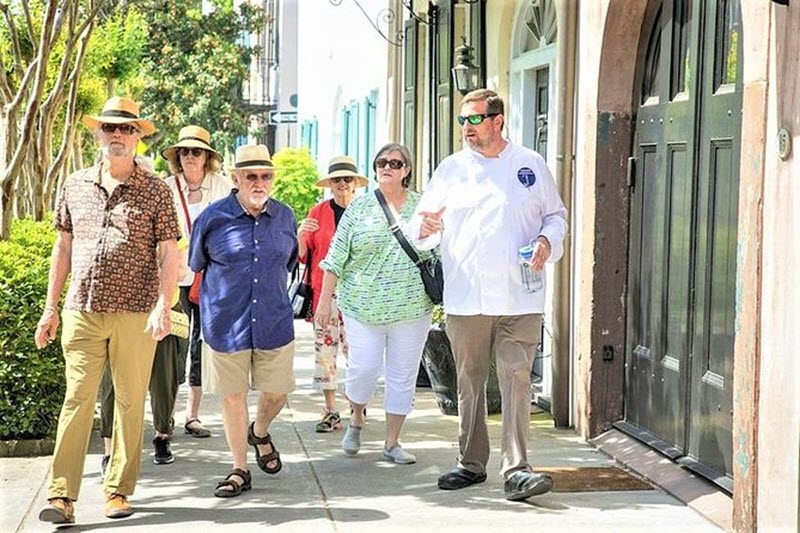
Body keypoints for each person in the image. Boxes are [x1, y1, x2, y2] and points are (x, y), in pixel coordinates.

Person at [411, 88, 568, 501]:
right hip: (467, 296)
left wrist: (548, 242)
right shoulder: (451, 170)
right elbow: (422, 225)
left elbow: (556, 216)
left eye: (475, 120)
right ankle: (471, 462)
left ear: (498, 121)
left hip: (521, 296)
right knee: (470, 381)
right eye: (463, 121)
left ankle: (517, 469)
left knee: (517, 379)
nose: (467, 128)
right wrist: (425, 230)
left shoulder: (530, 166)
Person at [34, 96, 180, 524]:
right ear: (98, 132)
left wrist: (162, 305)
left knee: (131, 402)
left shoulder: (155, 190)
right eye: (110, 128)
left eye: (127, 129)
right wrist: (50, 308)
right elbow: (62, 247)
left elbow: (168, 252)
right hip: (82, 307)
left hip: (135, 310)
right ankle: (62, 495)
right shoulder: (75, 184)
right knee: (77, 399)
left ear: (137, 137)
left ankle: (118, 489)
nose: (118, 135)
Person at [189, 144, 297, 498]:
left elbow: (290, 262)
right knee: (232, 397)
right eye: (251, 175)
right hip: (225, 323)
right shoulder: (212, 218)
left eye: (265, 176)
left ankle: (260, 430)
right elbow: (196, 266)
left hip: (274, 321)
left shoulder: (285, 217)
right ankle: (239, 469)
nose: (259, 182)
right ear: (235, 179)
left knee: (278, 392)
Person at [316, 143, 434, 465]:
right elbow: (335, 257)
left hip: (411, 308)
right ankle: (356, 418)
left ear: (406, 170)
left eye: (395, 163)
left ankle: (392, 442)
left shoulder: (423, 206)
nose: (387, 167)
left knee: (402, 375)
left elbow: (436, 252)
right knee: (363, 369)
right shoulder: (359, 208)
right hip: (362, 307)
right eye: (382, 162)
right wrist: (324, 301)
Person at [163, 125, 233, 440]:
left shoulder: (222, 187)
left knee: (201, 345)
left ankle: (193, 415)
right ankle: (166, 417)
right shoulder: (165, 188)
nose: (191, 157)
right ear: (178, 156)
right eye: (185, 151)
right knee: (172, 345)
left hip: (210, 280)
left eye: (197, 151)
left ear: (207, 157)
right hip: (175, 279)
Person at [98, 234, 190, 469]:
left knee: (163, 378)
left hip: (163, 310)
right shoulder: (114, 222)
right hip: (120, 311)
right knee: (113, 382)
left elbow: (181, 271)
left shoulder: (170, 225)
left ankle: (162, 435)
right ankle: (109, 449)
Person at [297, 155, 368, 432]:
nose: (342, 184)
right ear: (330, 184)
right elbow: (303, 258)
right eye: (336, 180)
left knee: (359, 353)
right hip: (324, 294)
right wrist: (300, 237)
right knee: (325, 352)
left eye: (347, 179)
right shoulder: (317, 212)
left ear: (355, 184)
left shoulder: (366, 211)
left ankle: (357, 406)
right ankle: (330, 410)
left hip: (359, 293)